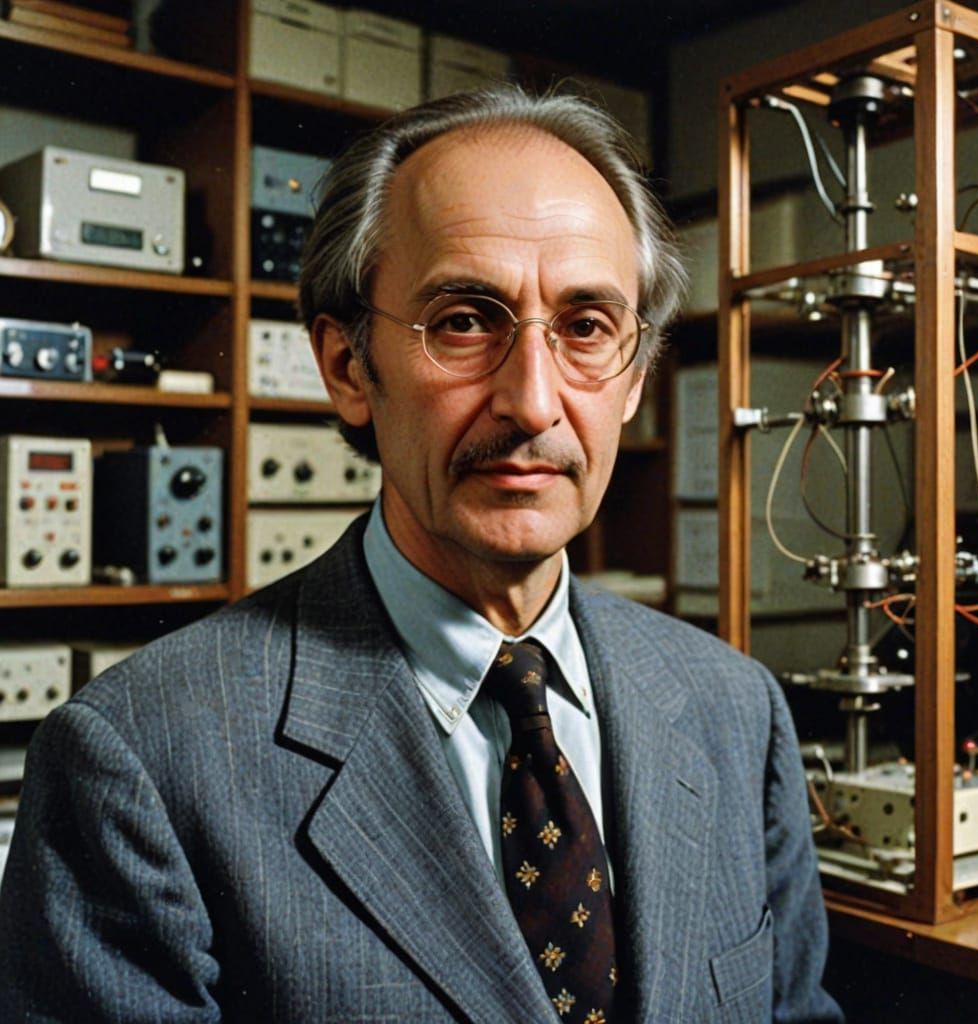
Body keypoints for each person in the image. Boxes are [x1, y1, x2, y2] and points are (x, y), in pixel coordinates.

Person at [0, 86, 842, 1023]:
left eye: (586, 328)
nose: (533, 401)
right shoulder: (141, 760)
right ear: (348, 368)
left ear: (636, 376)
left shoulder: (736, 710)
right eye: (465, 321)